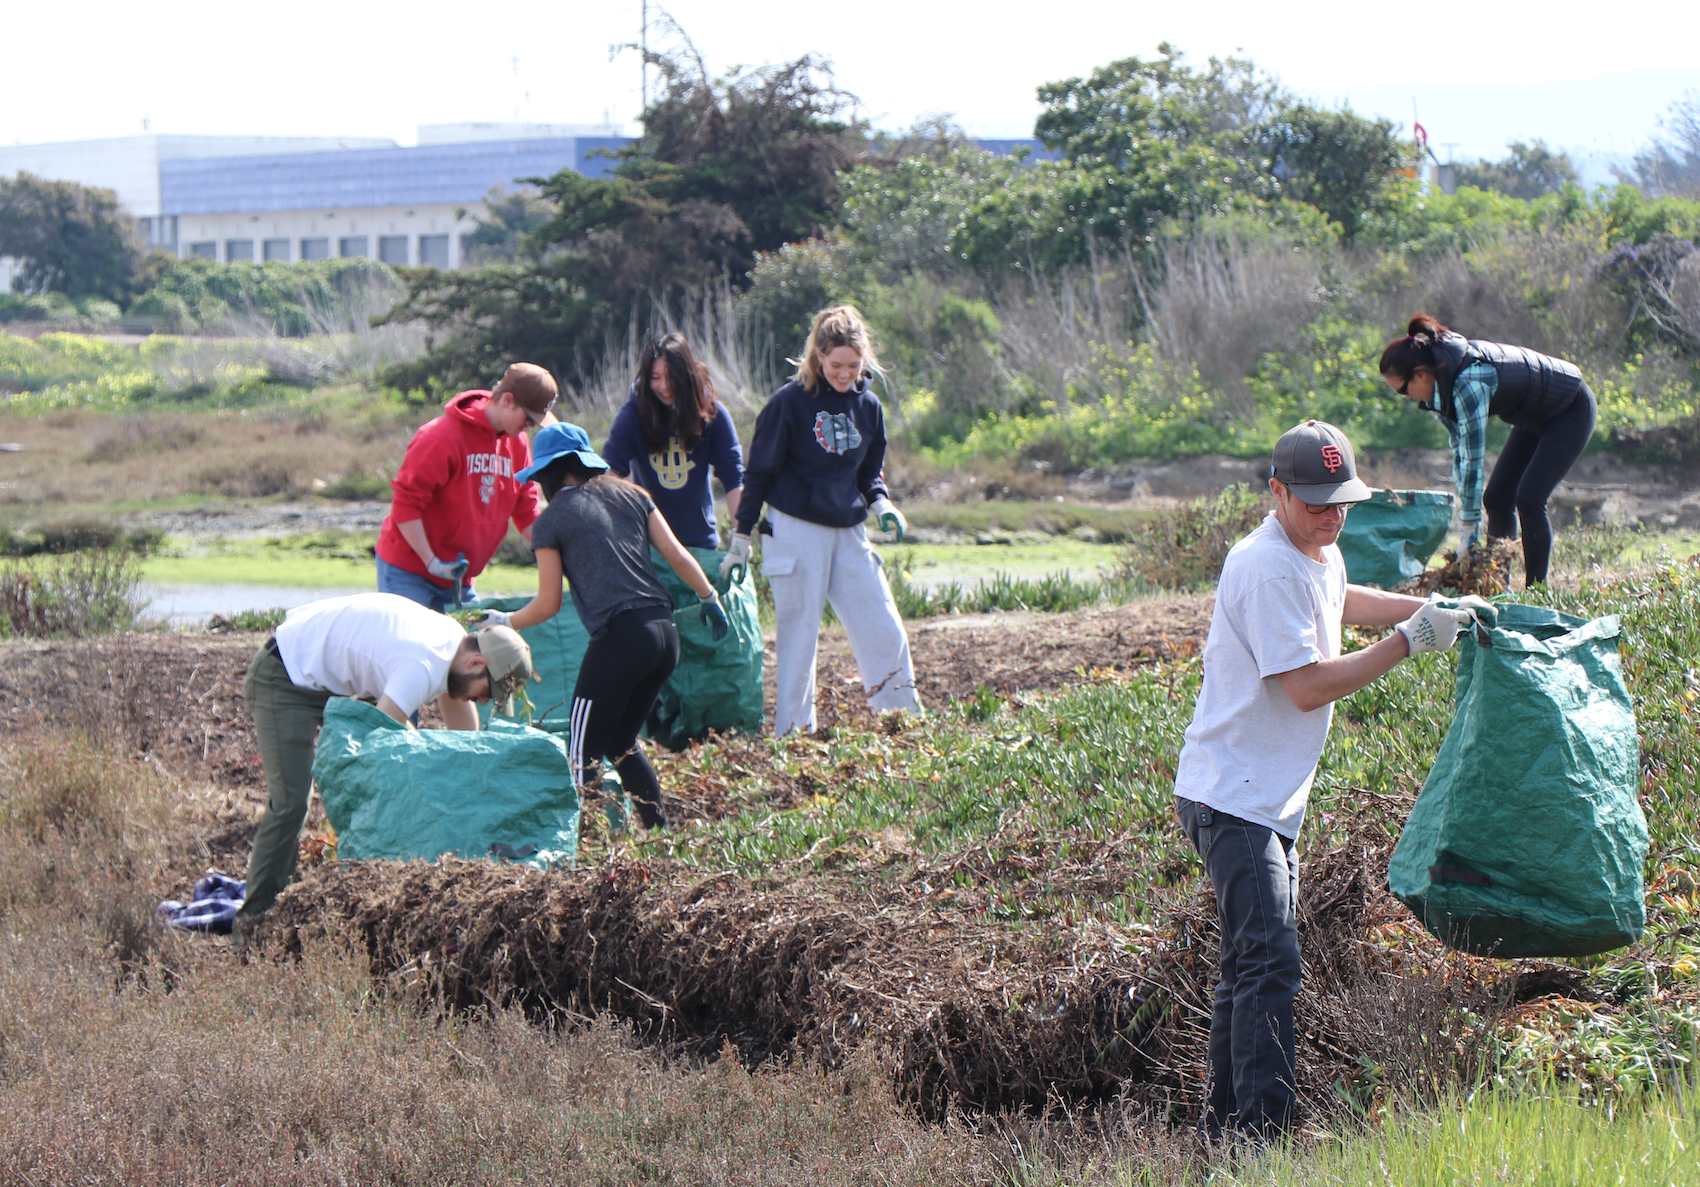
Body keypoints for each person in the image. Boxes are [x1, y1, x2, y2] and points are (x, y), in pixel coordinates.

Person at [1172, 420, 1480, 1143]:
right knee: (1273, 958)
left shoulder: (1316, 547)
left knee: (1247, 964)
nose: (1332, 516)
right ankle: (1268, 1132)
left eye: (1341, 502)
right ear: (1277, 491)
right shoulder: (1264, 566)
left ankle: (1224, 1130)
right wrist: (1409, 644)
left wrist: (1430, 612)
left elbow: (1342, 597)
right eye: (1315, 503)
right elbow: (1306, 687)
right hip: (1234, 797)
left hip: (1264, 795)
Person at [473, 423, 729, 830]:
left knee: (582, 748)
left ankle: (591, 842)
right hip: (663, 634)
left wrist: (503, 621)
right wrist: (708, 597)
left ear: (551, 474)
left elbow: (547, 604)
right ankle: (659, 835)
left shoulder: (551, 521)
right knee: (621, 741)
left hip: (622, 637)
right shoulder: (633, 496)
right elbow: (677, 556)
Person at [235, 592, 536, 927]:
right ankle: (253, 925)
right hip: (285, 674)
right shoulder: (421, 666)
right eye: (487, 692)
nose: (482, 700)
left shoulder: (453, 645)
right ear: (476, 663)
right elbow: (374, 755)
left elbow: (464, 744)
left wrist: (475, 807)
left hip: (338, 681)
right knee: (292, 803)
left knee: (407, 756)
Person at [722, 305, 919, 737]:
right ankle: (794, 736)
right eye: (836, 365)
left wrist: (881, 503)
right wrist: (741, 536)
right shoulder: (788, 404)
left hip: (848, 530)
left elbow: (869, 472)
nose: (845, 374)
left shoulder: (868, 406)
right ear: (817, 357)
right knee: (799, 637)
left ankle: (903, 722)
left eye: (853, 365)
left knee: (883, 623)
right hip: (794, 528)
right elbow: (758, 474)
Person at [1379, 314, 1597, 586]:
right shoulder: (1443, 385)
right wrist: (1467, 526)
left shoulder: (1468, 381)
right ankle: (1497, 586)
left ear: (1421, 375)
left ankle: (1537, 592)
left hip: (1570, 408)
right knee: (1497, 499)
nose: (1408, 398)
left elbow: (1473, 460)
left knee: (1529, 498)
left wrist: (1469, 529)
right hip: (1532, 418)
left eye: (1403, 390)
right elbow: (1460, 451)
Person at [374, 362, 557, 612]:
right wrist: (431, 562)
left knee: (471, 648)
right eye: (528, 417)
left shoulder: (518, 444)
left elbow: (526, 510)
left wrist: (559, 548)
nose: (531, 426)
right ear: (507, 400)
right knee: (412, 648)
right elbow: (406, 504)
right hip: (409, 571)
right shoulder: (440, 437)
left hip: (458, 579)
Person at [601, 332, 745, 550]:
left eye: (671, 377)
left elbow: (733, 477)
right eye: (655, 378)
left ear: (686, 374)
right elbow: (610, 474)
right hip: (648, 546)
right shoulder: (633, 414)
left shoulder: (712, 413)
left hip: (700, 543)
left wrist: (741, 538)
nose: (664, 386)